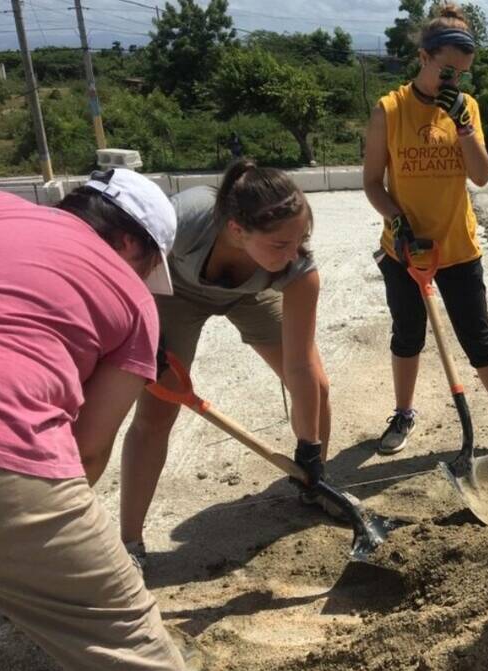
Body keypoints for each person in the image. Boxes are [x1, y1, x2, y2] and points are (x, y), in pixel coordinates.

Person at [0, 170, 188, 671]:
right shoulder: (132, 297)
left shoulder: (5, 209)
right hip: (10, 453)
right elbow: (87, 450)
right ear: (128, 242)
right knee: (134, 652)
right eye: (148, 265)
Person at [120, 159, 331, 567]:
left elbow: (301, 367)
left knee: (317, 388)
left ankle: (316, 484)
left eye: (300, 239)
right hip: (174, 294)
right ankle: (129, 542)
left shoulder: (297, 268)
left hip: (249, 295)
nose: (294, 255)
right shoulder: (185, 218)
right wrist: (143, 332)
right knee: (156, 414)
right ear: (237, 230)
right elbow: (123, 274)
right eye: (280, 245)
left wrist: (309, 446)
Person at [362, 3, 488, 471]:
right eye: (446, 70)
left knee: (480, 341)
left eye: (460, 74)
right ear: (423, 57)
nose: (452, 81)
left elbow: (481, 176)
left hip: (457, 248)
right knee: (407, 336)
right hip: (404, 250)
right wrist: (397, 223)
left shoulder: (467, 109)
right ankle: (403, 415)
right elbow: (371, 183)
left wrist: (463, 125)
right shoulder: (389, 110)